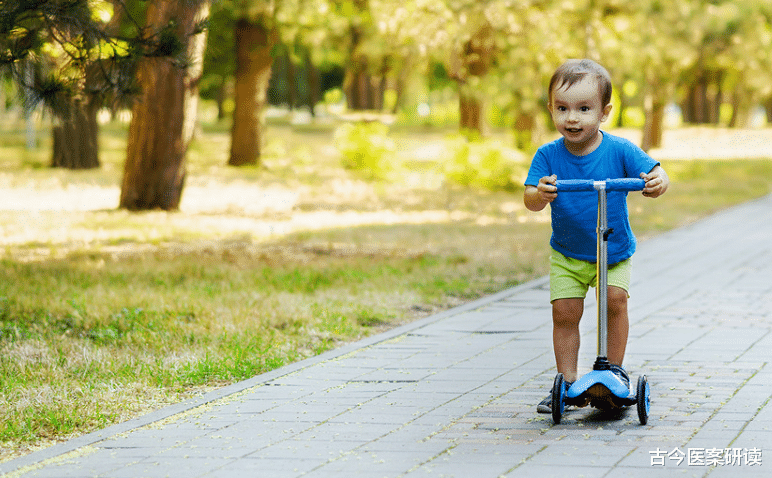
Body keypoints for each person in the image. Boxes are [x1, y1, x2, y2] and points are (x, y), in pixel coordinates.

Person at [523, 59, 669, 413]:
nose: (572, 118)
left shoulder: (619, 150)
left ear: (604, 113)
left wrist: (656, 182)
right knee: (565, 312)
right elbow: (529, 199)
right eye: (563, 108)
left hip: (613, 249)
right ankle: (567, 383)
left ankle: (615, 371)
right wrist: (539, 194)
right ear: (551, 109)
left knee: (615, 301)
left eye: (584, 109)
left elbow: (655, 174)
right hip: (568, 254)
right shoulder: (548, 155)